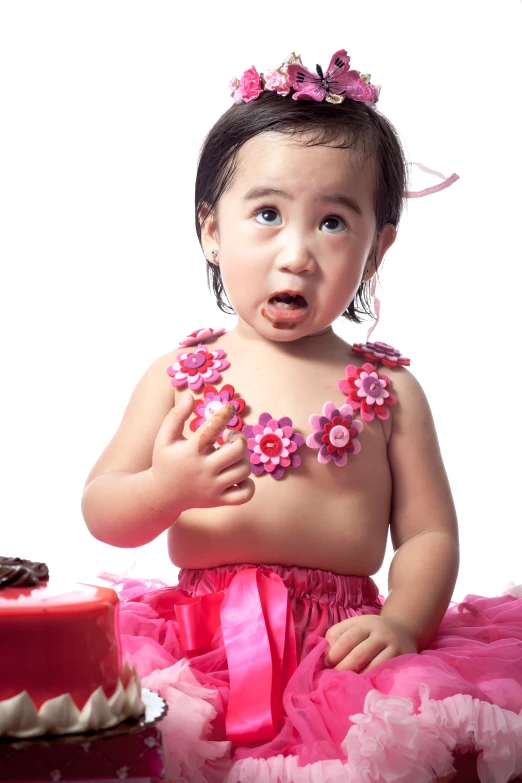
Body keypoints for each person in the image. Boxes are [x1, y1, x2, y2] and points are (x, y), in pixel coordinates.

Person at [82, 50, 522, 783]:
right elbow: (104, 508)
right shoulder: (178, 376)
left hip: (342, 652)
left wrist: (404, 620)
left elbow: (429, 533)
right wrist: (164, 487)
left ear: (377, 247)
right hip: (199, 649)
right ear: (212, 230)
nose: (296, 254)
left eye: (332, 223)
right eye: (266, 214)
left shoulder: (387, 389)